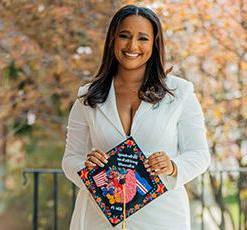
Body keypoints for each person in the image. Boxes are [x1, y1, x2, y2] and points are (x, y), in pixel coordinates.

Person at [62, 4, 210, 230]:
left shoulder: (180, 93)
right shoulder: (87, 97)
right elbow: (70, 159)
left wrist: (172, 167)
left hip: (162, 218)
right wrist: (86, 167)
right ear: (113, 39)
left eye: (142, 38)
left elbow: (200, 154)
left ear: (154, 44)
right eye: (124, 36)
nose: (132, 46)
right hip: (99, 219)